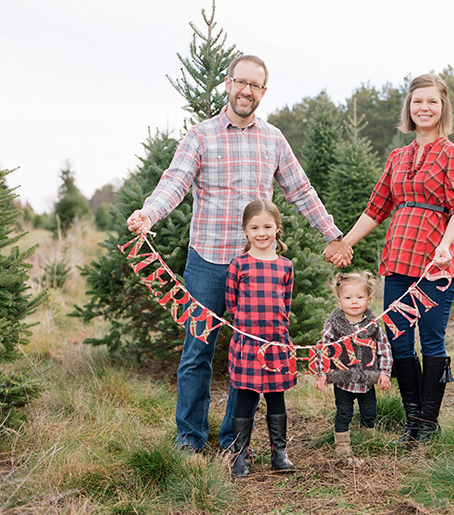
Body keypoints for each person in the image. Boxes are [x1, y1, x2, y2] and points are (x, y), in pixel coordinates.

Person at [126, 54, 352, 454]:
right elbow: (175, 182)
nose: (247, 90)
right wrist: (148, 212)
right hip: (208, 261)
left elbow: (301, 190)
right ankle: (190, 437)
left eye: (255, 85)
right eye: (240, 82)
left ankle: (234, 439)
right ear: (228, 84)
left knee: (248, 351)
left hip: (256, 267)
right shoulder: (201, 136)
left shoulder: (274, 139)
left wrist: (335, 235)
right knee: (198, 350)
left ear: (263, 92)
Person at [333, 74, 454, 444]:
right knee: (397, 343)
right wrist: (343, 243)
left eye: (431, 102)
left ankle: (428, 424)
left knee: (430, 341)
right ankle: (411, 419)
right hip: (397, 261)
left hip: (434, 265)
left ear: (443, 108)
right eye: (417, 102)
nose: (424, 108)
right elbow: (376, 208)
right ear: (408, 109)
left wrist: (446, 244)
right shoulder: (398, 157)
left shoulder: (453, 155)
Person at [225, 199, 295, 478]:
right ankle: (240, 454)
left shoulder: (285, 266)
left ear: (277, 229)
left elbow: (286, 304)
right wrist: (246, 328)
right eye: (255, 227)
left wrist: (276, 332)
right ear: (245, 230)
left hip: (276, 342)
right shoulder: (239, 264)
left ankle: (279, 454)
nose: (261, 233)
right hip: (248, 343)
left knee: (276, 396)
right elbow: (231, 303)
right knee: (245, 395)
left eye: (267, 226)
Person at [314, 272, 392, 457]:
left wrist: (384, 372)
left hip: (367, 379)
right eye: (348, 298)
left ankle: (368, 441)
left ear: (369, 299)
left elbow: (384, 348)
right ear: (339, 301)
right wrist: (322, 373)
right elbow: (323, 348)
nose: (354, 302)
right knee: (343, 413)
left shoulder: (372, 324)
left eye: (360, 297)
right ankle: (342, 446)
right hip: (343, 380)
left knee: (369, 411)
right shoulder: (333, 325)